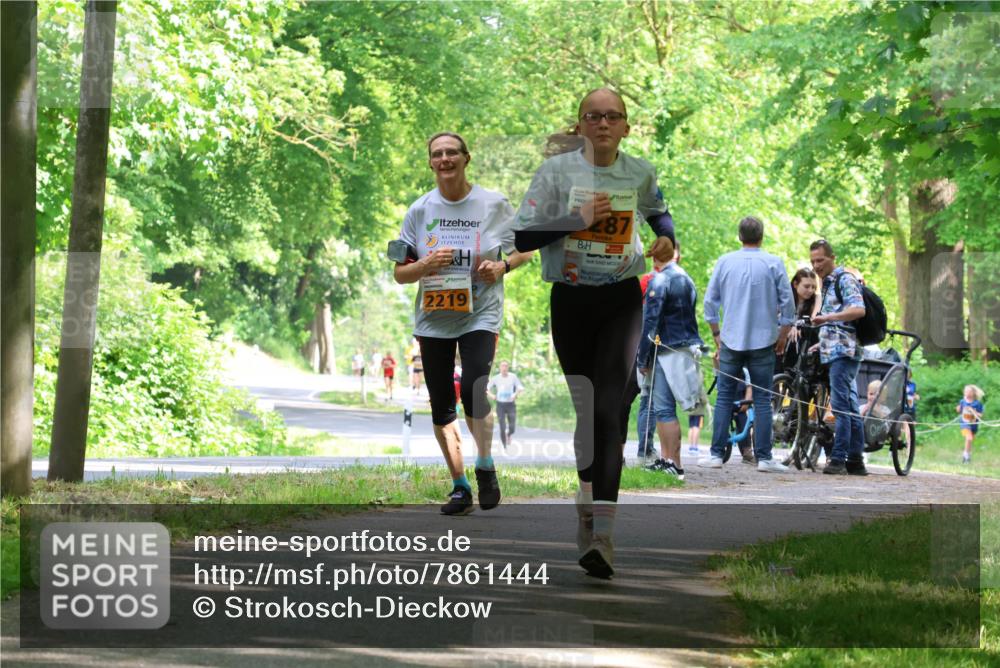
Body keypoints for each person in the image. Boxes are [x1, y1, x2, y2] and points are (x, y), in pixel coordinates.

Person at [514, 87, 675, 579]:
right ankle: (586, 503)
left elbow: (657, 211)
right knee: (588, 410)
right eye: (593, 116)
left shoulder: (639, 171)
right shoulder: (555, 173)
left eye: (613, 116)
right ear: (580, 125)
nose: (603, 124)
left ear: (626, 126)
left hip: (621, 295)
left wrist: (667, 236)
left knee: (611, 406)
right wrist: (576, 220)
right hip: (571, 298)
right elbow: (522, 237)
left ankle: (603, 535)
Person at [392, 131, 533, 515]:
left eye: (451, 152)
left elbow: (526, 249)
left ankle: (485, 465)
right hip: (434, 318)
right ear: (430, 163)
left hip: (480, 312)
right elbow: (399, 273)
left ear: (466, 158)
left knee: (473, 386)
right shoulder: (419, 210)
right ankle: (459, 486)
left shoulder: (493, 204)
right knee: (441, 405)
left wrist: (502, 266)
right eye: (437, 154)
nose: (444, 159)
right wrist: (423, 265)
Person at [701, 216, 794, 472]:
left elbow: (710, 302)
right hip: (764, 340)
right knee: (763, 399)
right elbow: (788, 304)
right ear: (761, 236)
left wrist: (716, 333)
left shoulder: (725, 261)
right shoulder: (774, 263)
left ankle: (717, 454)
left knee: (724, 398)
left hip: (731, 339)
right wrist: (783, 335)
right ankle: (764, 458)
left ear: (739, 236)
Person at [636, 236, 704, 479]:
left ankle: (674, 462)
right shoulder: (686, 279)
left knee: (664, 408)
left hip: (667, 351)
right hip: (685, 347)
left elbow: (650, 323)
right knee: (665, 407)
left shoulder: (659, 281)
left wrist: (642, 359)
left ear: (654, 257)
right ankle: (668, 461)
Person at [809, 239, 868, 476]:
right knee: (850, 405)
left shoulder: (845, 279)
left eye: (820, 260)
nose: (816, 265)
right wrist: (819, 341)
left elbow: (858, 310)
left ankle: (838, 458)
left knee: (841, 406)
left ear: (832, 258)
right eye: (812, 261)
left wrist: (828, 318)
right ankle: (855, 460)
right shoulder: (827, 282)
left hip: (844, 351)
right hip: (832, 349)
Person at [487, 361, 525, 449]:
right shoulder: (496, 378)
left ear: (508, 368)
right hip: (500, 405)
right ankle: (504, 445)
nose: (504, 368)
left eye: (506, 366)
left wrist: (515, 395)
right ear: (500, 368)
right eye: (502, 366)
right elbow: (486, 388)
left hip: (511, 404)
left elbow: (520, 388)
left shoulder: (513, 377)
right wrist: (492, 395)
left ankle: (509, 434)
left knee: (512, 426)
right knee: (502, 426)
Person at [958, 384, 985, 464]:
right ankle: (966, 456)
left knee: (970, 440)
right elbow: (958, 410)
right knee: (969, 438)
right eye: (965, 391)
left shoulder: (977, 403)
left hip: (973, 426)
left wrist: (973, 411)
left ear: (973, 393)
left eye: (969, 391)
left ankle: (966, 456)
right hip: (964, 425)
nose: (967, 393)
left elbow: (981, 415)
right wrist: (960, 407)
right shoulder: (962, 401)